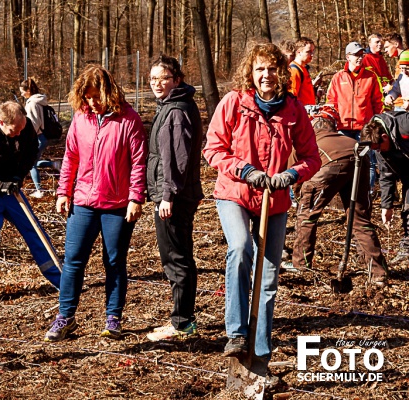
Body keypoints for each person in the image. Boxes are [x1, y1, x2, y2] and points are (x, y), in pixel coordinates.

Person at [203, 43, 321, 362]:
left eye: (271, 68)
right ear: (250, 73)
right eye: (259, 69)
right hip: (235, 193)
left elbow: (312, 157)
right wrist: (244, 169)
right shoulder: (234, 103)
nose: (265, 74)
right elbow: (213, 149)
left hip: (276, 199)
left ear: (281, 72)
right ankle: (236, 334)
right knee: (240, 248)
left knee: (268, 272)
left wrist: (292, 174)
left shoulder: (292, 109)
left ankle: (260, 343)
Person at [43, 65, 147, 342]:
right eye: (87, 97)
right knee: (74, 262)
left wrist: (136, 197)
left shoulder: (129, 120)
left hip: (117, 203)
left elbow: (138, 162)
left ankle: (113, 318)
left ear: (108, 92)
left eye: (96, 96)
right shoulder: (80, 119)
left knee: (114, 261)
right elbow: (70, 157)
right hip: (83, 201)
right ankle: (65, 317)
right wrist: (63, 192)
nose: (92, 102)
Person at [0, 100, 62, 300]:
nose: (18, 134)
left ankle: (61, 280)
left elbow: (30, 154)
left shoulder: (24, 128)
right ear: (1, 123)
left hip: (11, 188)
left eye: (21, 129)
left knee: (34, 230)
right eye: (13, 131)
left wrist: (18, 176)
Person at [290, 107, 388, 287]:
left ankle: (301, 267)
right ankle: (377, 273)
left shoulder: (306, 139)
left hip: (331, 163)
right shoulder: (344, 139)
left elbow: (296, 174)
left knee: (307, 217)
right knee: (360, 219)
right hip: (359, 156)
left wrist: (299, 200)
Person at [144, 55, 204, 342]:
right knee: (176, 256)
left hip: (174, 197)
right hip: (173, 194)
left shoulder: (177, 110)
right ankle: (182, 318)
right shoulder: (169, 105)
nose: (157, 83)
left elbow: (176, 159)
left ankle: (182, 322)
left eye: (163, 78)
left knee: (176, 258)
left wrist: (167, 196)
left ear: (176, 80)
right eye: (153, 78)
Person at [327, 41, 383, 195]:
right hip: (343, 128)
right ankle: (346, 193)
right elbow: (331, 102)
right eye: (356, 55)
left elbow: (378, 102)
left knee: (369, 163)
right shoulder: (338, 77)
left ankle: (367, 192)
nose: (360, 57)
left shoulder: (371, 77)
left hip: (364, 128)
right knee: (344, 162)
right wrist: (333, 122)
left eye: (361, 54)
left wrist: (376, 123)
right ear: (347, 57)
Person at [361, 113, 409, 264]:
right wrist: (386, 206)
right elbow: (386, 176)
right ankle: (407, 246)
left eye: (378, 147)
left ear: (385, 137)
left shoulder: (405, 125)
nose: (378, 152)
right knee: (408, 207)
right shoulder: (380, 150)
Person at [20, 78, 62, 199]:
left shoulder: (32, 103)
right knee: (32, 161)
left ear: (28, 90)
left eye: (23, 91)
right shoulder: (38, 101)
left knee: (30, 163)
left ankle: (39, 190)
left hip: (37, 137)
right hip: (42, 137)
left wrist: (27, 136)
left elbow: (34, 123)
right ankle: (54, 164)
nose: (22, 94)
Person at [289, 37, 317, 106]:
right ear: (299, 52)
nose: (312, 55)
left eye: (312, 51)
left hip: (308, 114)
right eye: (308, 52)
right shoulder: (294, 70)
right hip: (301, 115)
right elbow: (292, 98)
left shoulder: (303, 68)